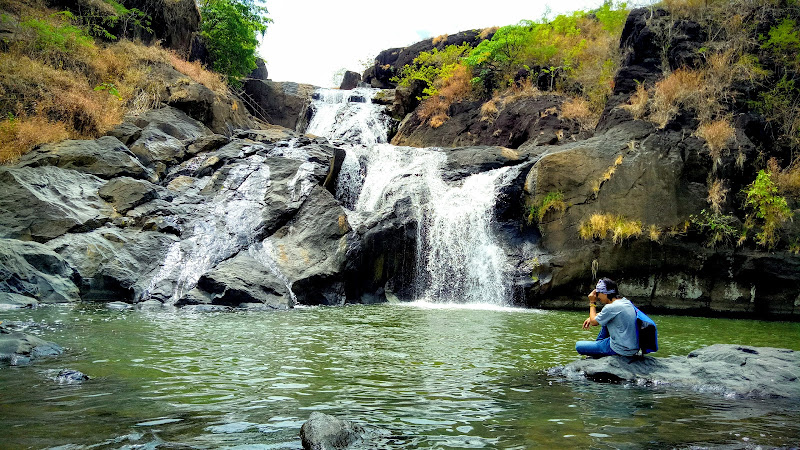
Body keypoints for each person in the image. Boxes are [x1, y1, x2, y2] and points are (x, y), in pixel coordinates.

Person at [575, 278, 639, 357]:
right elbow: (609, 313)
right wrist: (596, 316)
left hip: (620, 349)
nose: (597, 296)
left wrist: (592, 302)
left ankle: (598, 351)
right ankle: (598, 347)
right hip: (631, 347)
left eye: (598, 293)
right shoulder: (625, 301)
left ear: (605, 293)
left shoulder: (610, 308)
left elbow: (593, 322)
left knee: (578, 346)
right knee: (605, 322)